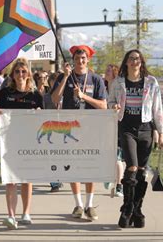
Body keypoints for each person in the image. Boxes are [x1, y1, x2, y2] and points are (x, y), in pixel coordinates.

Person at [108, 49, 163, 228]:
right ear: (126, 62)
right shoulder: (118, 82)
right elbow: (110, 102)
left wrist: (161, 133)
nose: (135, 62)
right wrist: (114, 106)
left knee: (142, 171)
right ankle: (127, 208)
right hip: (126, 128)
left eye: (138, 59)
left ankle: (137, 209)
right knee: (131, 167)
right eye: (132, 59)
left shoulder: (151, 82)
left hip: (145, 129)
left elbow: (158, 109)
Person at [51, 45, 107, 221]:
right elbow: (54, 99)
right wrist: (66, 76)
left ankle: (90, 205)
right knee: (72, 166)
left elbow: (104, 106)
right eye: (77, 59)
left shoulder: (96, 79)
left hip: (90, 128)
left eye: (83, 58)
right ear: (73, 60)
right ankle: (78, 204)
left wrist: (84, 97)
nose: (80, 61)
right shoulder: (64, 76)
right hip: (69, 128)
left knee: (90, 166)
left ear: (88, 60)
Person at [0, 57, 44, 230]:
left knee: (26, 178)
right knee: (10, 179)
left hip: (29, 141)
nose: (20, 74)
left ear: (28, 74)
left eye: (23, 71)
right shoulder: (5, 94)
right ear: (12, 74)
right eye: (17, 71)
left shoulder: (36, 96)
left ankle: (26, 212)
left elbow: (42, 123)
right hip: (9, 140)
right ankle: (11, 216)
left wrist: (38, 114)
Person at [103, 64, 124, 198]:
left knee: (117, 156)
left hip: (118, 124)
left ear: (115, 73)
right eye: (106, 70)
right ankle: (108, 176)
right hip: (104, 125)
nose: (106, 72)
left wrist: (117, 108)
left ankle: (119, 186)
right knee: (107, 155)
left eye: (109, 70)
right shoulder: (103, 86)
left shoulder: (119, 87)